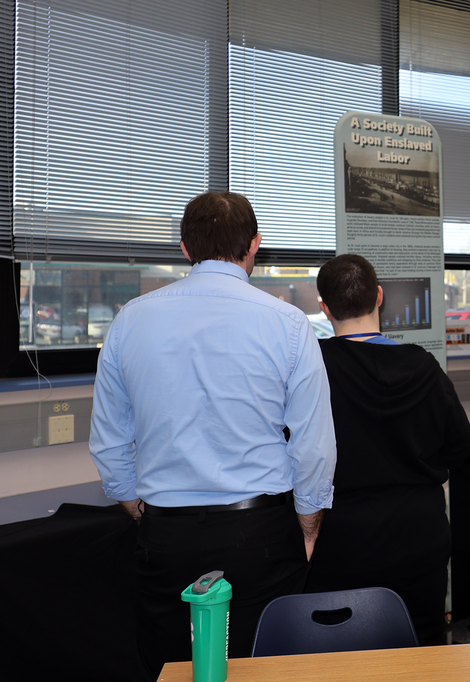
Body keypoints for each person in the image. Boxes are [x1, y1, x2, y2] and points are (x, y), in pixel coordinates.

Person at [89, 191, 336, 679]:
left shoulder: (130, 320)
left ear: (185, 248)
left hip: (165, 537)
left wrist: (136, 506)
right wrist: (308, 523)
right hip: (261, 537)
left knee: (171, 669)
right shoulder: (288, 323)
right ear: (255, 246)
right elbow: (313, 444)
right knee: (267, 670)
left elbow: (109, 441)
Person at [307, 254, 470, 646]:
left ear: (324, 307)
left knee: (339, 654)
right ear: (379, 297)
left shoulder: (315, 369)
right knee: (423, 651)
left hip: (341, 542)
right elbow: (459, 445)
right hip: (419, 538)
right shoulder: (424, 366)